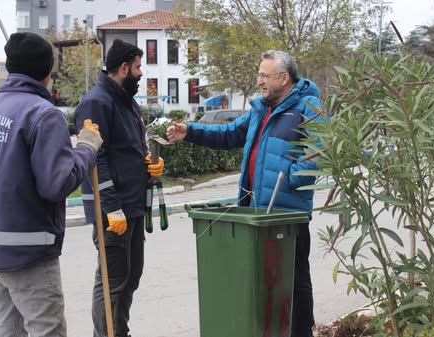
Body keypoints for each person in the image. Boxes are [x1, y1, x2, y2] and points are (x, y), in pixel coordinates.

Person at [167, 50, 323, 337]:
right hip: (255, 216)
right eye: (259, 75)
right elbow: (228, 134)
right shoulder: (260, 110)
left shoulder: (307, 107)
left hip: (287, 218)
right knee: (262, 283)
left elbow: (318, 152)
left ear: (284, 77)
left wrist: (288, 178)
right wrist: (189, 131)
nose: (259, 81)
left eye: (265, 75)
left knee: (295, 282)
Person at [0, 32, 103, 337]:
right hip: (28, 251)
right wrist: (86, 148)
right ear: (47, 73)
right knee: (47, 330)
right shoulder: (44, 115)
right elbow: (56, 184)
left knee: (6, 330)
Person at [74, 39, 164, 337]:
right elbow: (94, 158)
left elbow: (126, 150)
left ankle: (119, 332)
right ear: (124, 67)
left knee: (130, 276)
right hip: (114, 210)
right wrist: (111, 207)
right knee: (112, 281)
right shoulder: (96, 102)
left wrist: (147, 164)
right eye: (138, 67)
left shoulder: (126, 101)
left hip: (133, 204)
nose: (141, 73)